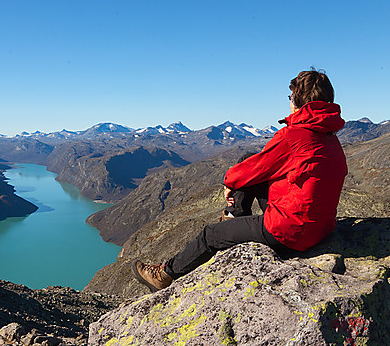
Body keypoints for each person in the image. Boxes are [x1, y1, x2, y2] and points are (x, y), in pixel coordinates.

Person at [132, 69, 348, 292]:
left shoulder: (293, 136)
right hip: (320, 228)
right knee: (247, 160)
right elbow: (258, 166)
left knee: (210, 234)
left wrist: (229, 182)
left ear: (297, 101)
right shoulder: (331, 138)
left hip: (291, 233)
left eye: (291, 97)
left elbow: (254, 169)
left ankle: (165, 275)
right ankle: (236, 216)